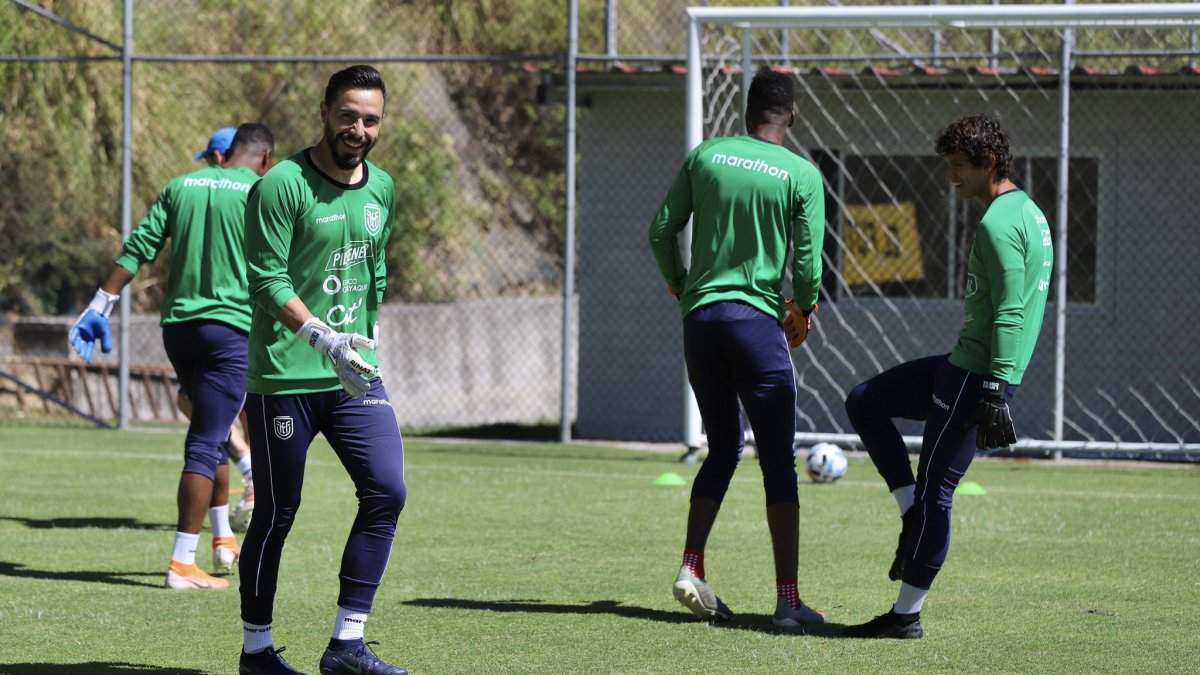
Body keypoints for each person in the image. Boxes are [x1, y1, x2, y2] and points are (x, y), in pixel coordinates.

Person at [841, 113, 1053, 639]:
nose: (950, 176)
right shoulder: (1028, 210)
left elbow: (1010, 310)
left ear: (989, 163)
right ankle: (908, 510)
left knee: (939, 489)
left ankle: (904, 615)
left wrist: (994, 386)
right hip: (965, 365)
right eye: (948, 165)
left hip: (976, 375)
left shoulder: (999, 222)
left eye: (959, 166)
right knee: (864, 401)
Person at [237, 65, 407, 675]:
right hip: (286, 376)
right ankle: (257, 652)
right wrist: (321, 337)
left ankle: (347, 645)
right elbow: (265, 278)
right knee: (278, 513)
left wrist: (368, 341)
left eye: (370, 119)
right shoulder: (282, 183)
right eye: (348, 116)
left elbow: (376, 271)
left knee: (387, 490)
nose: (358, 129)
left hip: (353, 377)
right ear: (325, 112)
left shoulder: (381, 187)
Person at [647, 68, 827, 629]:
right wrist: (805, 308)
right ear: (790, 117)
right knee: (778, 463)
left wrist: (680, 284)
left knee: (723, 446)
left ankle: (690, 566)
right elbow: (809, 264)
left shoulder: (707, 156)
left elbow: (660, 230)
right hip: (756, 327)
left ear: (747, 114)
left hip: (701, 322)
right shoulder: (801, 173)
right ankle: (788, 603)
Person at [69, 123, 276, 591]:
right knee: (207, 438)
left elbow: (138, 247)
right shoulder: (261, 192)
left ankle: (222, 540)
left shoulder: (180, 185)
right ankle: (182, 563)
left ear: (228, 152)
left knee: (213, 428)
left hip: (178, 330)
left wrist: (101, 304)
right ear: (265, 159)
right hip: (229, 331)